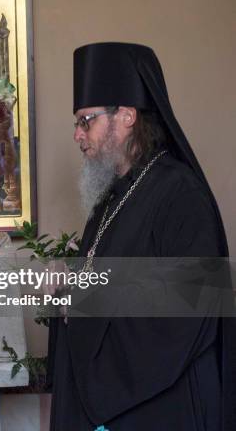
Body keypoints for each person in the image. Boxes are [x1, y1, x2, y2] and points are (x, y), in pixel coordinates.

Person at [47, 42, 235, 430]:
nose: (78, 135)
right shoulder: (111, 200)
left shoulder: (181, 196)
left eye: (87, 120)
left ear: (127, 116)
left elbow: (188, 308)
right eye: (77, 123)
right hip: (113, 407)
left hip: (162, 408)